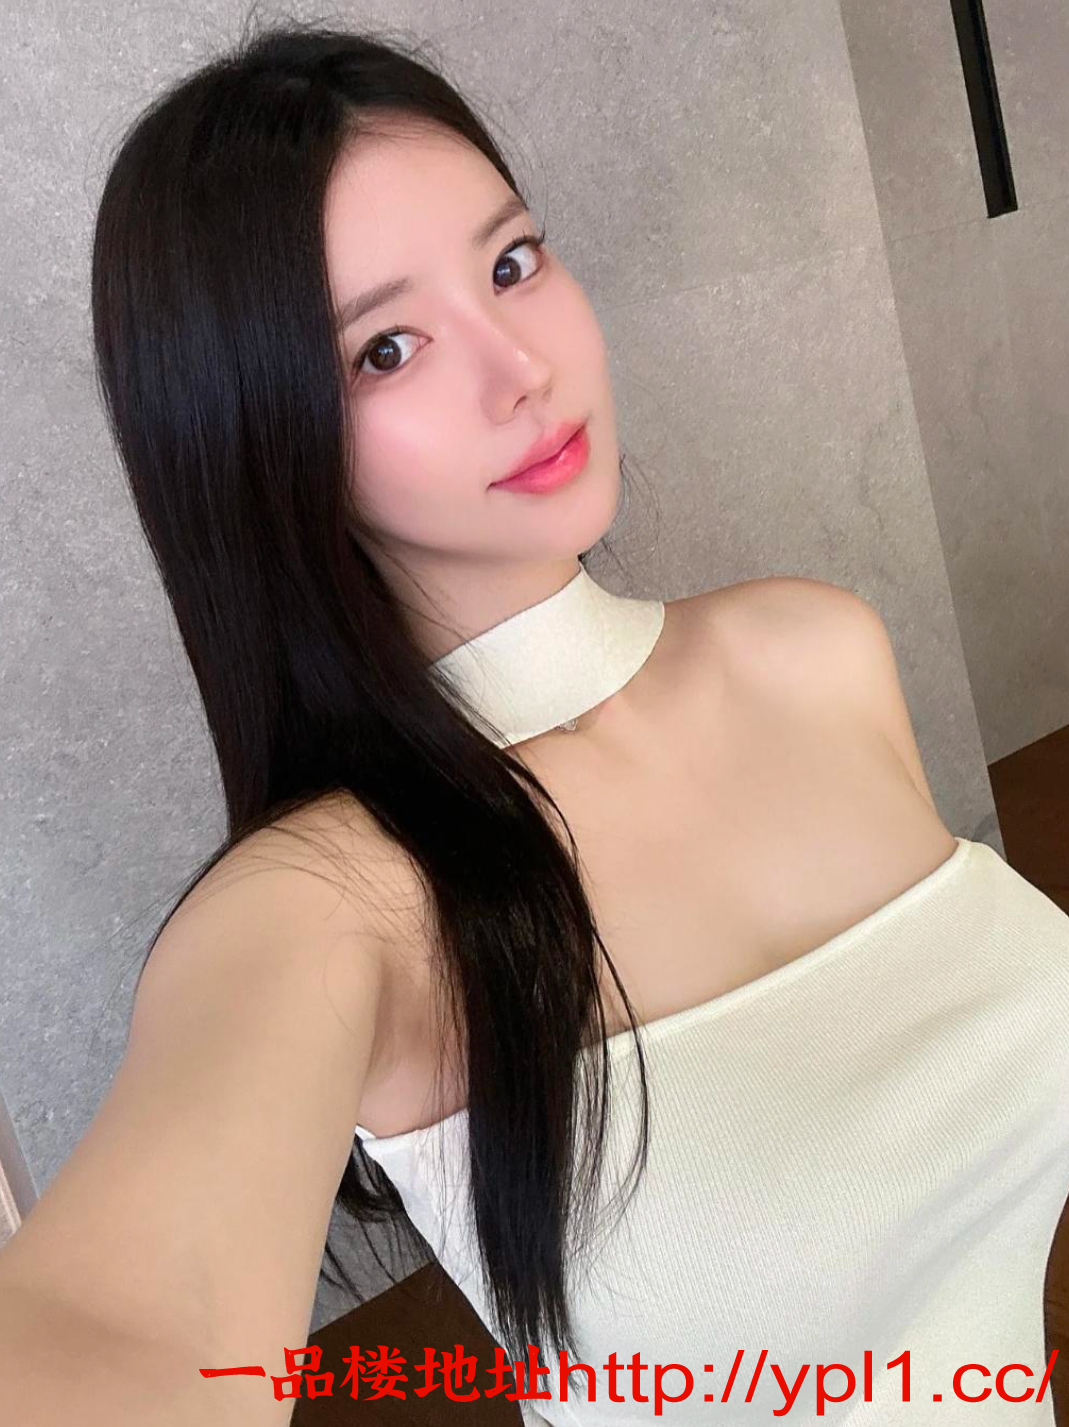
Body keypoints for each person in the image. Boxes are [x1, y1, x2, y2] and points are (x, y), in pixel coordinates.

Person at [3, 18, 1068, 1427]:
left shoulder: (816, 651)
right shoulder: (333, 905)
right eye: (387, 349)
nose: (521, 366)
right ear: (257, 440)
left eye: (511, 263)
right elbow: (121, 1329)